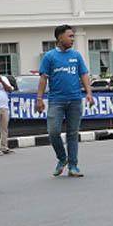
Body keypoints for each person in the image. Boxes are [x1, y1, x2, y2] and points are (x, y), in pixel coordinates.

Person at [36, 25, 95, 177]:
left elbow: (84, 75)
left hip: (75, 100)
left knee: (72, 134)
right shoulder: (49, 57)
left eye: (73, 36)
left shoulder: (76, 55)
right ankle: (62, 158)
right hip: (56, 101)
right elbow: (43, 78)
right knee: (53, 131)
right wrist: (39, 98)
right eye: (70, 36)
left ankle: (73, 166)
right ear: (59, 38)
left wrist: (89, 93)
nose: (72, 39)